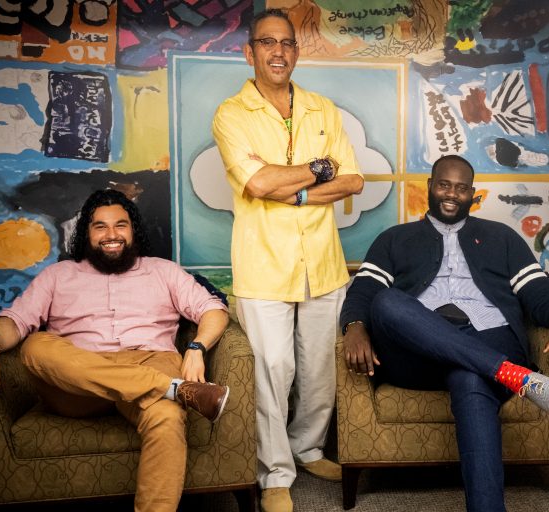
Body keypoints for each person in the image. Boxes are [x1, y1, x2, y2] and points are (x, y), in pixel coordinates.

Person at [0, 189, 231, 512]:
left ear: (133, 230)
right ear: (86, 233)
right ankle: (174, 389)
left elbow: (213, 310)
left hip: (150, 359)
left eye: (120, 225)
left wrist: (196, 347)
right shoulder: (57, 276)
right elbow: (13, 321)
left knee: (167, 417)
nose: (111, 235)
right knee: (36, 345)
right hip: (78, 383)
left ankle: (168, 392)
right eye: (100, 226)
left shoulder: (163, 271)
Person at [340, 155, 549, 512]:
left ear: (472, 193)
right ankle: (516, 377)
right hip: (417, 355)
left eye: (461, 187)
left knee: (470, 377)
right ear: (430, 187)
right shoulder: (395, 239)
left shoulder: (501, 237)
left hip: (489, 336)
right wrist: (354, 326)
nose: (451, 194)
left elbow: (536, 290)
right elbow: (363, 291)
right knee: (388, 300)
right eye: (444, 184)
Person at [211, 8, 364, 512]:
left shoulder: (323, 108)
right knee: (272, 369)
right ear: (249, 51)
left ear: (297, 52)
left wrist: (294, 190)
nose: (279, 52)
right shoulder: (231, 114)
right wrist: (318, 171)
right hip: (263, 266)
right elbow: (257, 184)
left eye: (288, 43)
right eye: (268, 43)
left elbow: (353, 181)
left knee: (320, 368)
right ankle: (274, 471)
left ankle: (308, 447)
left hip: (323, 261)